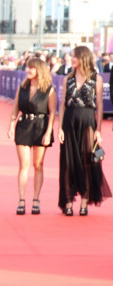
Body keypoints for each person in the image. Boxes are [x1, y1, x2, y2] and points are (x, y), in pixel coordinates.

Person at [58, 45, 111, 216]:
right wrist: (59, 128)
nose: (71, 59)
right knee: (67, 163)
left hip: (88, 122)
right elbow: (63, 104)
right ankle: (67, 201)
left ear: (83, 58)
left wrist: (98, 130)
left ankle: (84, 201)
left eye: (74, 56)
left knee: (87, 161)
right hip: (69, 123)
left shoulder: (97, 79)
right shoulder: (68, 79)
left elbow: (100, 106)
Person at [7, 57, 57, 215]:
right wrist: (11, 125)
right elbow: (15, 107)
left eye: (31, 68)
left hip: (41, 127)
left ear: (39, 71)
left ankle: (36, 199)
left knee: (38, 165)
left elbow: (52, 113)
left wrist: (48, 133)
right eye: (27, 68)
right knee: (24, 165)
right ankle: (21, 200)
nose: (27, 70)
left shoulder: (49, 89)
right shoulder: (22, 87)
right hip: (23, 126)